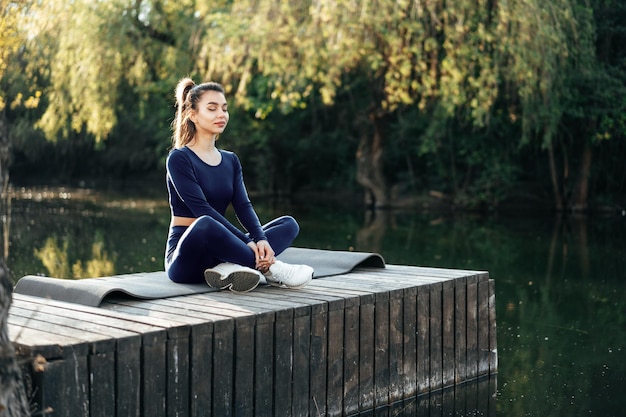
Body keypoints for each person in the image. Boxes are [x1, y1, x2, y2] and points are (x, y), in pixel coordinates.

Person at [164, 77, 313, 292]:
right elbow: (201, 209)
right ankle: (272, 269)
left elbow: (243, 206)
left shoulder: (230, 160)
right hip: (187, 258)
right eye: (212, 108)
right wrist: (247, 242)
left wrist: (260, 239)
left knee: (289, 224)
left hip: (221, 250)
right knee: (205, 222)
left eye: (224, 109)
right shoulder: (179, 158)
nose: (221, 115)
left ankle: (229, 265)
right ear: (192, 115)